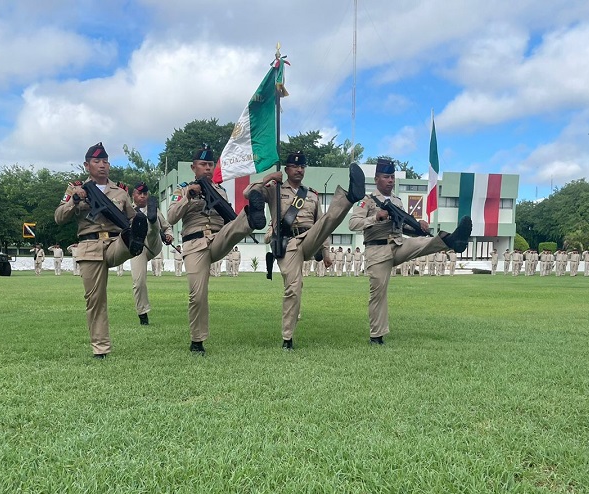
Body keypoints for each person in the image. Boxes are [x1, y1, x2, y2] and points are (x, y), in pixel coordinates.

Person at [246, 151, 365, 349]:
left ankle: (349, 197)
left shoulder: (311, 195)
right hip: (287, 243)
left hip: (310, 238)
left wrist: (325, 253)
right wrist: (268, 178)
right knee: (293, 289)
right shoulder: (275, 190)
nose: (299, 170)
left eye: (302, 166)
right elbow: (248, 194)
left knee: (326, 220)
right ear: (286, 169)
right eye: (295, 166)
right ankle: (287, 338)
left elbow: (322, 225)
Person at [349, 158, 472, 344]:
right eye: (386, 177)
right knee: (378, 293)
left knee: (421, 242)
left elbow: (402, 227)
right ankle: (376, 336)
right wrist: (376, 217)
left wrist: (418, 227)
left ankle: (451, 240)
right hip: (377, 251)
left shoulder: (397, 201)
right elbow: (353, 224)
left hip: (398, 246)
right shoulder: (367, 201)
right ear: (376, 179)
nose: (390, 180)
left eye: (392, 177)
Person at [54, 142, 155, 358]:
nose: (102, 165)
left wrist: (137, 223)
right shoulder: (76, 188)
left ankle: (133, 242)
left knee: (130, 234)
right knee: (95, 299)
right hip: (89, 246)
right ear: (87, 165)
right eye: (97, 161)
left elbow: (130, 216)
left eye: (106, 162)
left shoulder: (120, 191)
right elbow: (59, 217)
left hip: (115, 243)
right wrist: (75, 200)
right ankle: (101, 348)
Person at [166, 144, 266, 353]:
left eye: (210, 164)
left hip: (219, 238)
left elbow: (226, 218)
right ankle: (197, 340)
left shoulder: (220, 190)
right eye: (203, 164)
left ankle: (251, 217)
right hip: (194, 245)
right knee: (197, 294)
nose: (208, 168)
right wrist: (188, 198)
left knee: (234, 224)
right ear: (194, 167)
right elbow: (171, 217)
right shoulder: (183, 189)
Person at [128, 182, 171, 325]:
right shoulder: (127, 210)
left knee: (153, 230)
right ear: (133, 195)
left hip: (153, 244)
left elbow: (167, 227)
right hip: (137, 248)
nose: (142, 196)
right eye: (139, 194)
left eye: (145, 194)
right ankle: (142, 313)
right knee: (138, 282)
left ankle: (152, 221)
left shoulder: (155, 209)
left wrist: (169, 235)